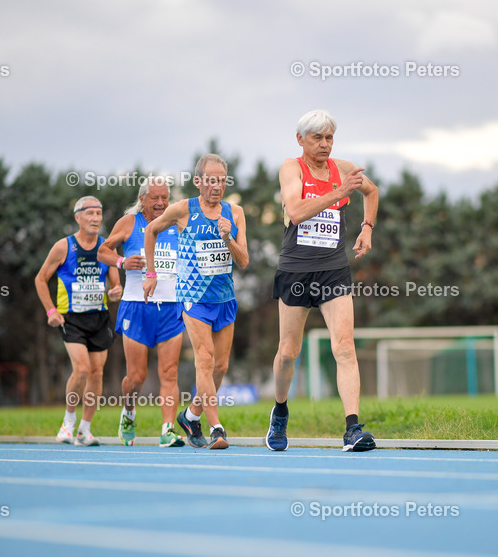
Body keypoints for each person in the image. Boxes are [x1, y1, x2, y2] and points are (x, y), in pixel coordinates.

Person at [266, 109, 379, 452]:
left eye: (329, 138)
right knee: (289, 353)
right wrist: (338, 191)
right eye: (317, 138)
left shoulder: (343, 168)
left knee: (344, 346)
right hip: (296, 270)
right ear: (300, 139)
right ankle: (280, 411)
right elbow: (296, 211)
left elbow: (371, 191)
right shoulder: (291, 168)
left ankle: (352, 428)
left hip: (333, 270)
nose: (325, 144)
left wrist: (367, 228)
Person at [142, 154, 248, 449]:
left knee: (221, 367)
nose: (217, 186)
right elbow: (150, 231)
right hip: (193, 298)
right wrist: (150, 273)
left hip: (224, 299)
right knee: (205, 359)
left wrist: (228, 238)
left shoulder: (235, 212)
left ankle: (190, 416)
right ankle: (217, 428)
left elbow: (243, 261)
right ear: (198, 181)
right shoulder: (183, 210)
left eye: (222, 181)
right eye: (211, 180)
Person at [97, 179, 186, 447]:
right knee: (136, 377)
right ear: (142, 199)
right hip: (137, 306)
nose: (160, 203)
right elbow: (102, 251)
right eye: (155, 198)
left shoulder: (177, 223)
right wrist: (122, 261)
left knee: (169, 372)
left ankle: (168, 430)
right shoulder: (129, 223)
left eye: (164, 197)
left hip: (171, 307)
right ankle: (128, 413)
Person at [34, 196, 122, 447]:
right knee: (82, 369)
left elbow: (116, 283)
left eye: (99, 213)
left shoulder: (107, 247)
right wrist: (51, 311)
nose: (95, 218)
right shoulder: (64, 247)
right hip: (71, 319)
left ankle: (84, 430)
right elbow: (40, 279)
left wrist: (116, 290)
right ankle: (68, 422)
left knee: (97, 372)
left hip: (99, 317)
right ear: (77, 217)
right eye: (89, 213)